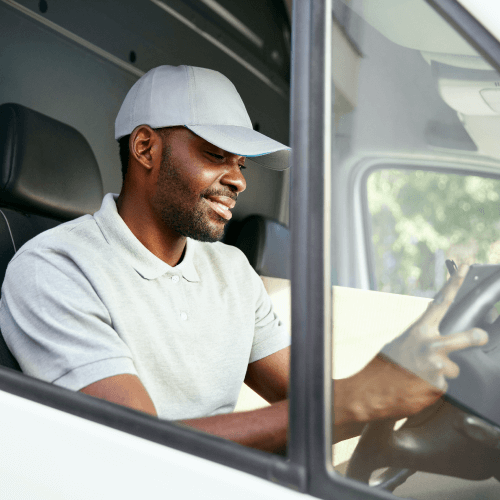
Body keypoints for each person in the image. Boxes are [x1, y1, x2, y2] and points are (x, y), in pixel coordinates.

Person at [0, 65, 488, 454]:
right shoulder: (55, 269)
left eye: (242, 163)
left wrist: (399, 367)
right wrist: (350, 400)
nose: (239, 180)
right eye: (217, 155)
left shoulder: (231, 270)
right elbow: (134, 449)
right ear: (146, 147)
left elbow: (313, 406)